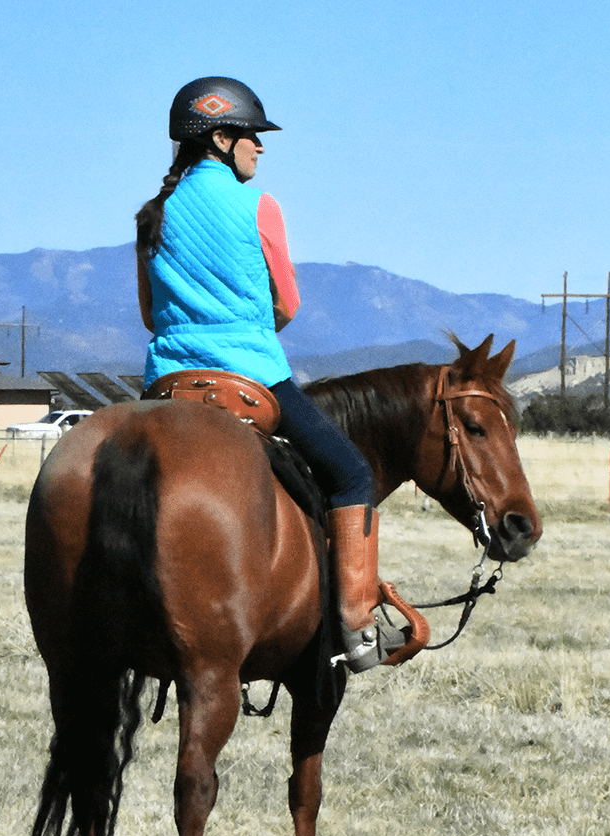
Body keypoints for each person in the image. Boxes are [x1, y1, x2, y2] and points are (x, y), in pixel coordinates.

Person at [135, 76, 407, 672]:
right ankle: (359, 631)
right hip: (252, 376)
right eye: (253, 136)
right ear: (222, 138)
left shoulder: (152, 215)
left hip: (167, 383)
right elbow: (288, 304)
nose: (260, 148)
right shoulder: (261, 206)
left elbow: (150, 314)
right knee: (351, 472)